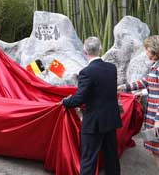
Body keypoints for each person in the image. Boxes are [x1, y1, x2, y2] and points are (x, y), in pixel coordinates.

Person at [62, 37, 122, 175]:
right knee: (112, 158)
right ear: (100, 48)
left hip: (94, 123)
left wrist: (66, 102)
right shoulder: (111, 68)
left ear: (85, 51)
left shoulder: (86, 72)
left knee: (89, 159)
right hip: (111, 119)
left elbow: (80, 98)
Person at [118, 35, 159, 169]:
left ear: (154, 50)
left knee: (157, 151)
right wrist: (126, 87)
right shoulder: (155, 66)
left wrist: (158, 119)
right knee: (155, 151)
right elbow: (147, 82)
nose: (146, 52)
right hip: (153, 115)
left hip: (156, 117)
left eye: (147, 49)